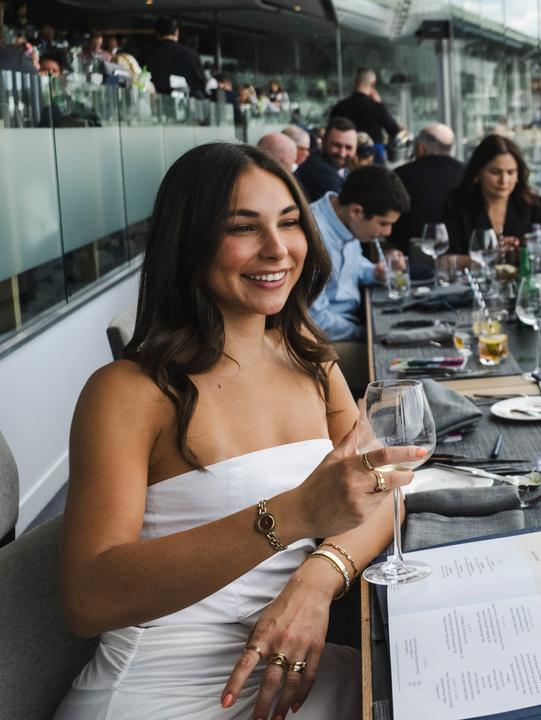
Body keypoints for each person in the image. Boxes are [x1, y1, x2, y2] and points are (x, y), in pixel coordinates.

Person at [55, 143, 422, 719]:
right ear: (191, 241)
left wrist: (317, 582)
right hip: (163, 692)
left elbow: (385, 494)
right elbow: (87, 596)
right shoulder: (128, 391)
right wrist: (297, 513)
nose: (278, 249)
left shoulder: (312, 361)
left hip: (294, 670)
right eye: (243, 229)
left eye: (290, 223)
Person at [308, 165, 409, 386]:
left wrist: (375, 271)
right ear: (356, 211)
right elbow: (314, 319)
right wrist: (366, 332)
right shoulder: (313, 237)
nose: (387, 233)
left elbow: (351, 264)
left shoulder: (344, 219)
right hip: (324, 341)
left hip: (351, 323)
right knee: (402, 364)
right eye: (383, 223)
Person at [442, 134, 541, 255]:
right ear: (477, 173)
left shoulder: (533, 204)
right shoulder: (456, 204)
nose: (504, 181)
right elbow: (445, 260)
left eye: (510, 172)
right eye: (495, 172)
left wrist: (523, 249)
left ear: (518, 175)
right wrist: (491, 255)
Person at [388, 123, 463, 254]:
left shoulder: (399, 175)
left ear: (421, 148)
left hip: (410, 257)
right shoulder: (467, 174)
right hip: (461, 256)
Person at [328, 69, 401, 146]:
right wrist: (380, 104)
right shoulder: (377, 108)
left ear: (356, 82)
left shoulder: (339, 107)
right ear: (373, 84)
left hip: (345, 155)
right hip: (372, 155)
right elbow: (394, 131)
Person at [295, 117, 357, 202]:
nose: (342, 153)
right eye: (337, 145)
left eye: (348, 148)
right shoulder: (319, 171)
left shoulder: (343, 168)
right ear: (324, 141)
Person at [146, 16, 206, 97]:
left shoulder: (148, 55)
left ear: (157, 33)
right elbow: (201, 84)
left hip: (158, 103)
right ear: (177, 32)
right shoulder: (191, 54)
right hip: (187, 103)